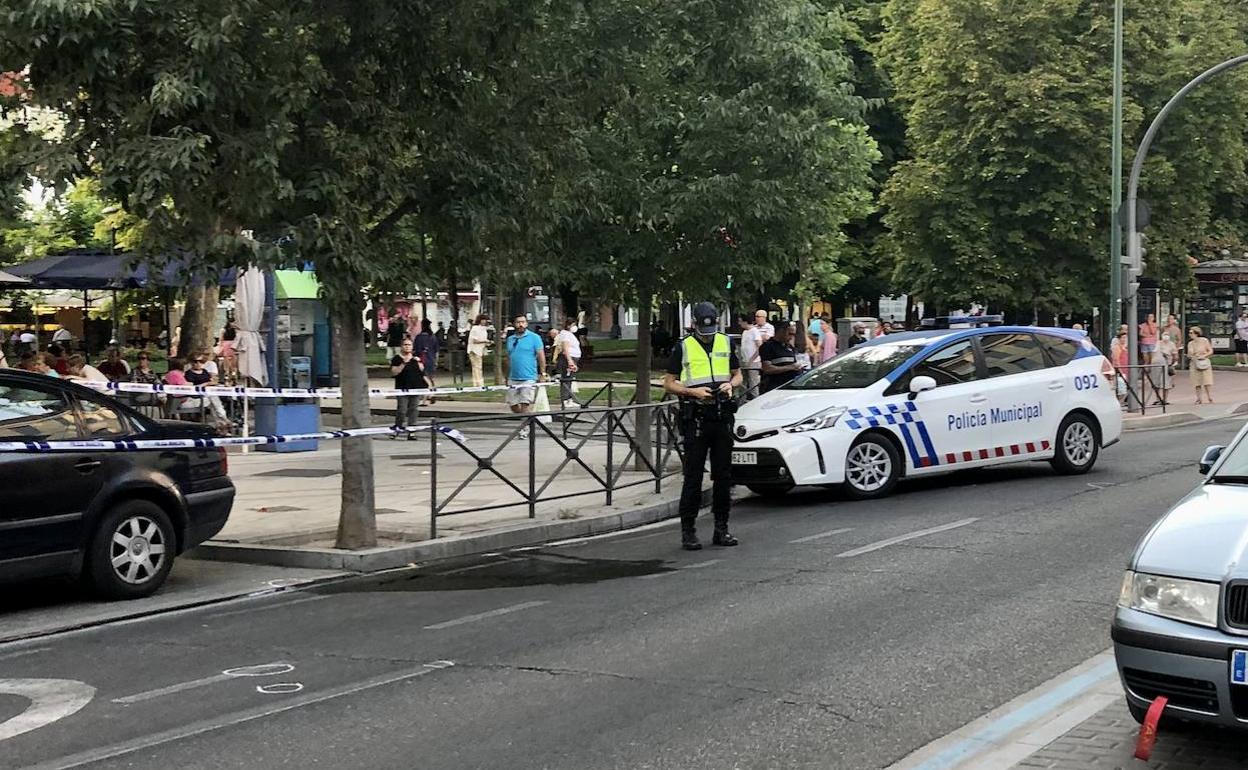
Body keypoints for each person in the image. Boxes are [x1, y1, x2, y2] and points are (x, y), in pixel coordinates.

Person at [663, 301, 742, 551]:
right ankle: (689, 531)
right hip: (695, 418)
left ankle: (722, 528)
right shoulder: (683, 346)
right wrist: (692, 392)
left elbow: (737, 373)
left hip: (721, 417)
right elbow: (668, 383)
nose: (707, 336)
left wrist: (731, 385)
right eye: (702, 330)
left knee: (723, 476)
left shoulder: (726, 342)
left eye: (711, 330)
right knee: (693, 477)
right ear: (694, 324)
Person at [504, 314, 548, 439]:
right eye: (518, 322)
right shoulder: (510, 339)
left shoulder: (534, 338)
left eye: (523, 322)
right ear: (514, 324)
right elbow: (508, 358)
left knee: (525, 403)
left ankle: (525, 429)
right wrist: (506, 376)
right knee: (513, 405)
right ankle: (529, 418)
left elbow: (541, 356)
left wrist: (543, 373)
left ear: (527, 324)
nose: (521, 324)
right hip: (513, 376)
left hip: (529, 376)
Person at [390, 339, 427, 439]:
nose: (407, 347)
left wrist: (419, 362)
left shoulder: (415, 359)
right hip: (402, 389)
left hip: (415, 388)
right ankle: (398, 427)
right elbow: (394, 372)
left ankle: (412, 431)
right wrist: (404, 363)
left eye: (409, 345)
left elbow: (422, 372)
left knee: (413, 410)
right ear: (401, 346)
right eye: (405, 345)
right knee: (402, 410)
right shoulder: (397, 359)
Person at [759, 320, 802, 393]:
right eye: (790, 334)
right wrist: (791, 367)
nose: (791, 337)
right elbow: (767, 369)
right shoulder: (768, 346)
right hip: (774, 387)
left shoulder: (790, 347)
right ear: (781, 331)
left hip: (790, 387)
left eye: (793, 334)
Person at [552, 318, 582, 409]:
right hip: (569, 358)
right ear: (568, 325)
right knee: (566, 379)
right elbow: (566, 348)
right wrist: (570, 361)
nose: (574, 327)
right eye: (573, 325)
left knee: (570, 379)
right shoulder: (565, 334)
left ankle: (569, 399)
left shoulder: (570, 334)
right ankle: (565, 399)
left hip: (573, 357)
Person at [737, 314, 766, 400]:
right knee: (743, 384)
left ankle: (755, 400)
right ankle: (741, 401)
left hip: (753, 362)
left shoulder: (754, 331)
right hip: (744, 361)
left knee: (753, 384)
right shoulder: (745, 332)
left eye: (740, 321)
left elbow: (759, 347)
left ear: (745, 321)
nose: (739, 323)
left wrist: (752, 359)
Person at [1188, 326, 1214, 404]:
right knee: (1196, 382)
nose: (1190, 334)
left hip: (1204, 362)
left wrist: (1204, 356)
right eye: (1189, 333)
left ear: (1196, 333)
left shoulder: (1204, 340)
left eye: (1191, 333)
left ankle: (1209, 397)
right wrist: (1191, 356)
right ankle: (1199, 398)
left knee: (1207, 380)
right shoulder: (1190, 343)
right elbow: (1189, 354)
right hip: (1195, 363)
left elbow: (1210, 350)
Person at [1154, 332, 1178, 406]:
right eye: (1164, 334)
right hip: (1157, 365)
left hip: (1167, 365)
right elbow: (1153, 353)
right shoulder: (1158, 343)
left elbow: (1175, 355)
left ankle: (1165, 399)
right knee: (1156, 382)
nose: (1166, 336)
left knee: (1166, 383)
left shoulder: (1171, 344)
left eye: (1167, 334)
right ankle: (1157, 399)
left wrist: (1172, 363)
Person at [467, 314, 491, 388]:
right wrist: (485, 341)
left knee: (477, 367)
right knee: (477, 367)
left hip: (479, 350)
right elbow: (474, 340)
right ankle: (479, 383)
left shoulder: (484, 329)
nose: (484, 321)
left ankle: (477, 383)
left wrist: (486, 343)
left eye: (485, 320)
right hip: (474, 350)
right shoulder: (475, 328)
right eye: (483, 319)